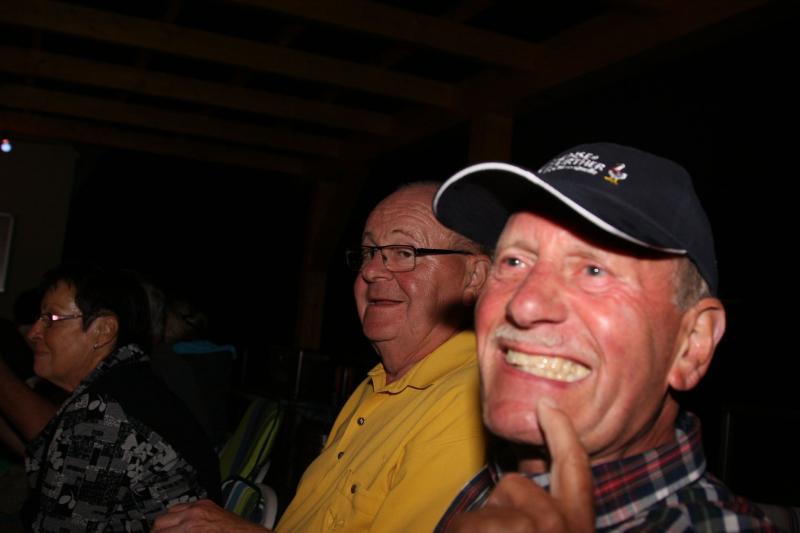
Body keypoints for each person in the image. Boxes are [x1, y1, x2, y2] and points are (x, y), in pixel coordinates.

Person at [431, 143, 775, 531]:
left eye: (594, 271)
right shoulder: (488, 485)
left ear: (692, 343)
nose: (524, 305)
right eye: (513, 261)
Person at [153, 182, 491, 532]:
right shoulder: (377, 384)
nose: (370, 270)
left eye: (404, 253)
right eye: (369, 252)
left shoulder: (468, 404)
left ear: (474, 277)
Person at [18, 265, 221, 531]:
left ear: (103, 330)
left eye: (51, 318)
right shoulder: (128, 384)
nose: (33, 332)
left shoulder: (103, 413)